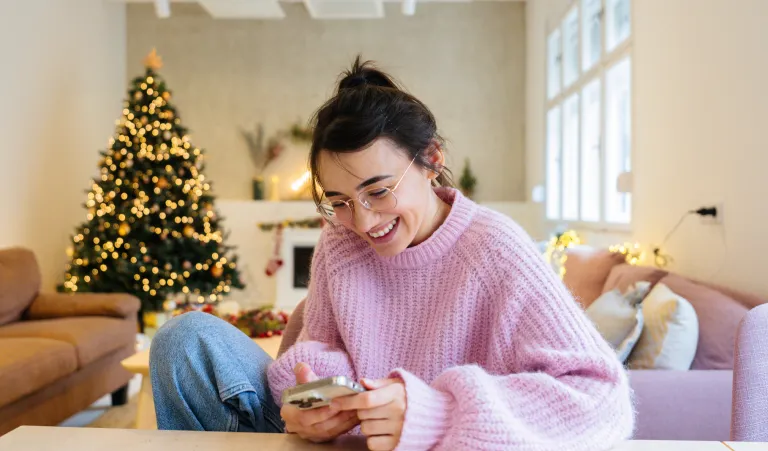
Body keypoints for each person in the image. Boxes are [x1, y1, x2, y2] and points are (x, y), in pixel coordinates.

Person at [150, 57, 634, 451]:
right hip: (342, 446)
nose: (362, 222)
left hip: (452, 445)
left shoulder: (496, 249)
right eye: (339, 202)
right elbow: (314, 349)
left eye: (378, 191)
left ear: (432, 160)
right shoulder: (339, 243)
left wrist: (436, 413)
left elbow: (602, 401)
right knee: (184, 338)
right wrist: (308, 403)